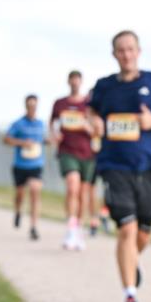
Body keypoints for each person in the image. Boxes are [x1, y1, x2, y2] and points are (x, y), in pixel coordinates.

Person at [87, 31, 151, 302]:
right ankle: (130, 295)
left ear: (138, 51)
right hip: (114, 166)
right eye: (120, 50)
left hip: (149, 167)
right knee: (126, 229)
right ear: (114, 54)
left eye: (130, 49)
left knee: (143, 234)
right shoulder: (104, 87)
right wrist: (94, 123)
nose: (126, 54)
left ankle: (131, 261)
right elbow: (91, 113)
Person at [50, 70, 98, 249]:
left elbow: (98, 129)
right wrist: (55, 134)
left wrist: (89, 127)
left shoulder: (89, 104)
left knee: (83, 194)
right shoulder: (60, 103)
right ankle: (70, 228)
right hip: (67, 151)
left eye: (78, 81)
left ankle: (78, 229)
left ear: (81, 82)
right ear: (68, 82)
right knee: (72, 187)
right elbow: (53, 124)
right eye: (72, 81)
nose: (75, 84)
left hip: (87, 153)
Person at [3, 94, 45, 241]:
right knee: (20, 194)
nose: (32, 108)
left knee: (35, 190)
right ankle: (18, 210)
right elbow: (6, 139)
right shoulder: (18, 124)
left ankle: (33, 226)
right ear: (26, 106)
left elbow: (44, 139)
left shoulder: (41, 124)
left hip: (36, 164)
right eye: (30, 105)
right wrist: (22, 143)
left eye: (34, 105)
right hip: (20, 165)